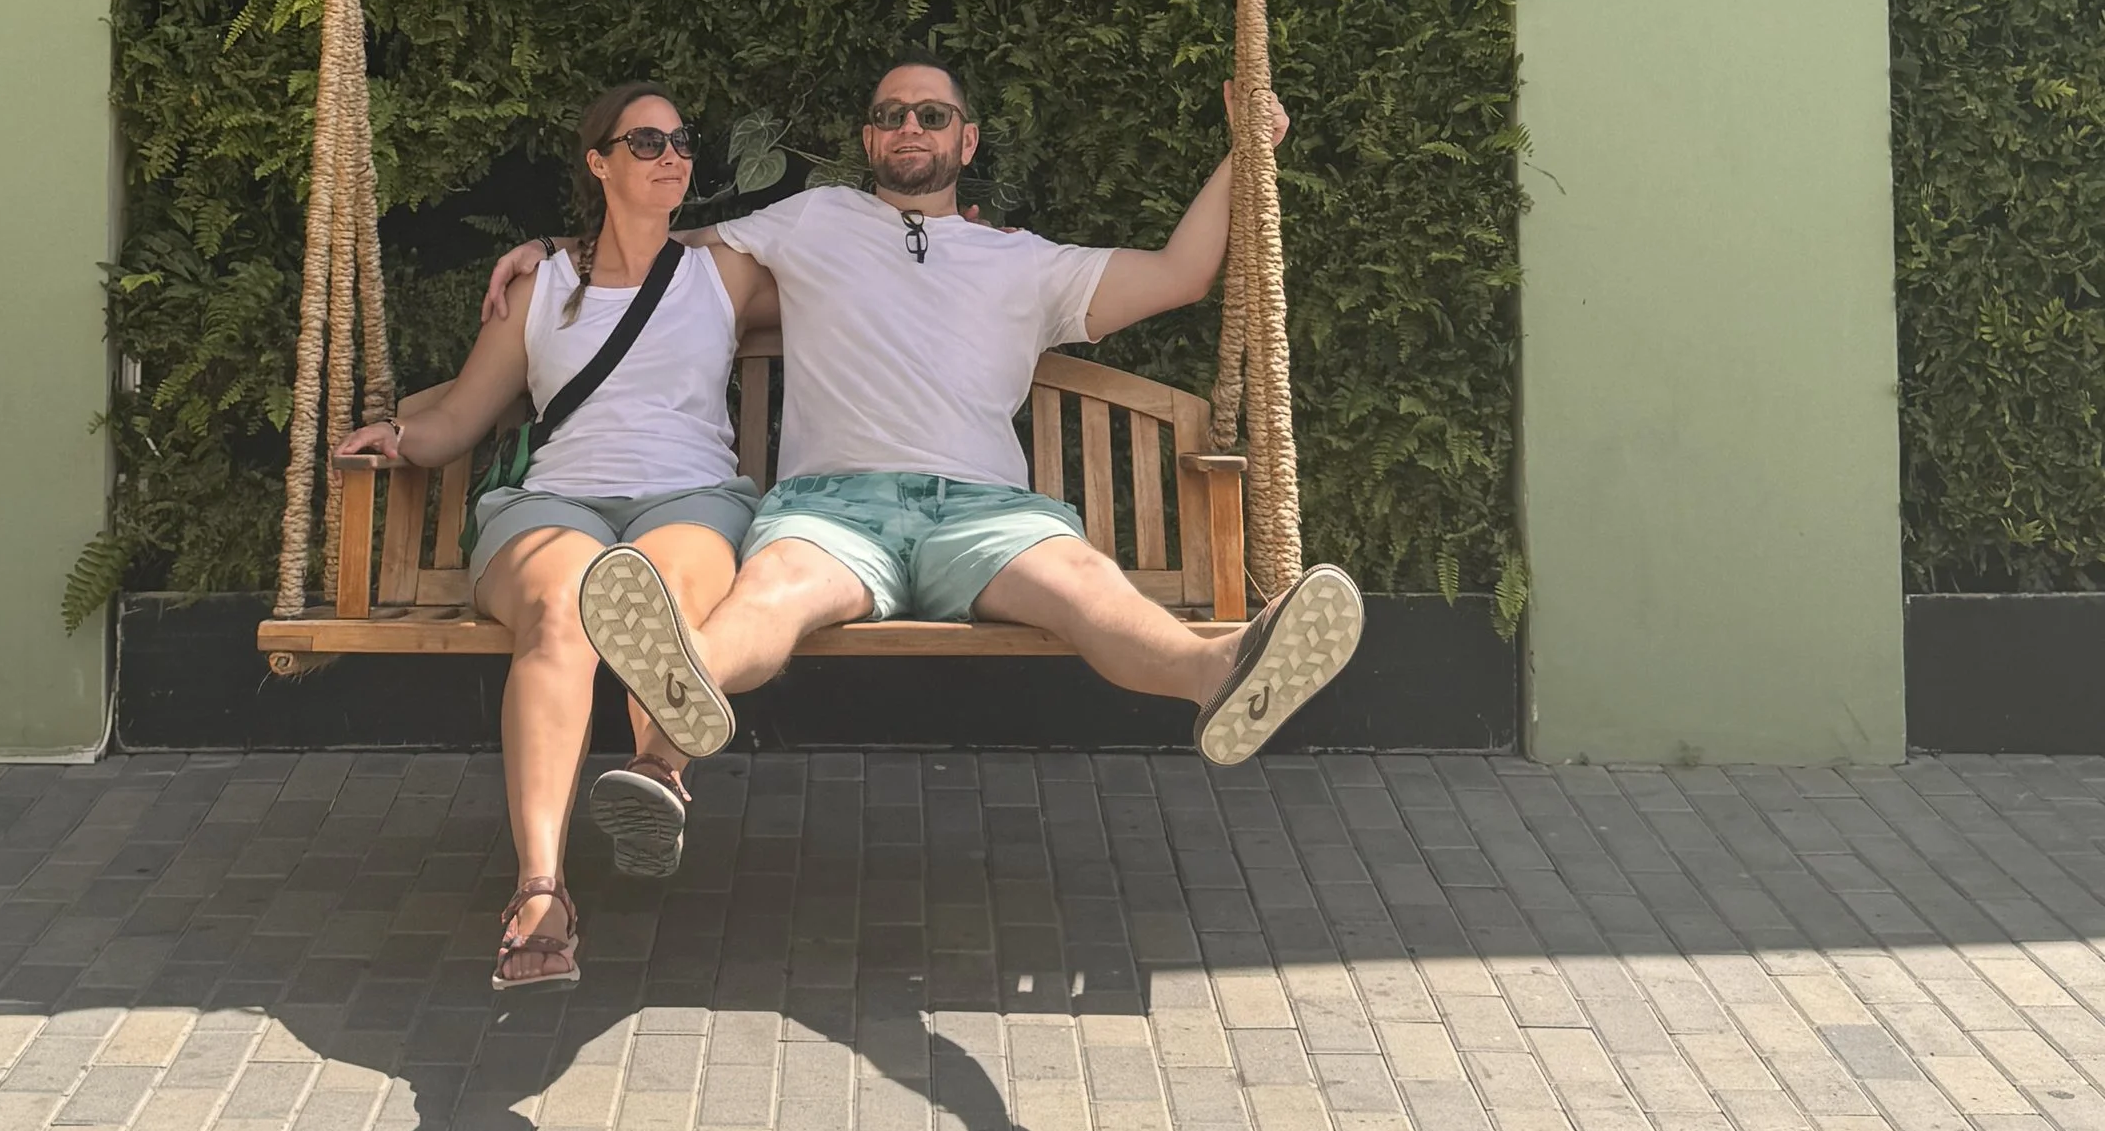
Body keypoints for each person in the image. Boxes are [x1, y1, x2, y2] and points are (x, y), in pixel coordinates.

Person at [483, 58, 1363, 773]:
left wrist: (1250, 152)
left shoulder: (1031, 266)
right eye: (892, 114)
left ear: (966, 139)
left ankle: (1220, 672)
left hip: (982, 511)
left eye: (932, 115)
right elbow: (649, 250)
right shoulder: (810, 220)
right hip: (833, 507)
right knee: (775, 590)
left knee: (1085, 585)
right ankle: (688, 679)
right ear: (868, 139)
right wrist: (550, 254)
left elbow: (1180, 273)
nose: (911, 126)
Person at [334, 81, 775, 991]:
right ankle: (543, 887)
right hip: (554, 503)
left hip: (688, 495)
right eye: (645, 141)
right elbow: (463, 412)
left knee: (662, 586)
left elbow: (866, 291)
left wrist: (968, 248)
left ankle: (655, 770)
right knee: (564, 611)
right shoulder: (543, 283)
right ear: (598, 161)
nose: (671, 155)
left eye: (682, 140)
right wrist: (402, 439)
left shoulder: (723, 273)